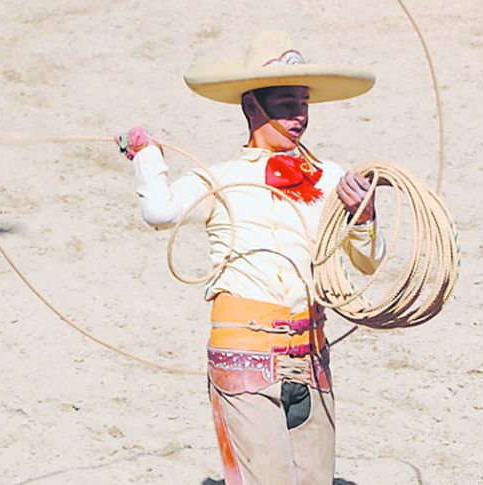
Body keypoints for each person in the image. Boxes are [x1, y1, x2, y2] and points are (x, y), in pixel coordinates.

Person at [116, 30, 386, 485]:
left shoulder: (332, 179)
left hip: (312, 352)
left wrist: (365, 216)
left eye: (303, 103)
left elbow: (367, 263)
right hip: (244, 352)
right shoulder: (221, 179)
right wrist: (147, 156)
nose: (299, 115)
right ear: (252, 107)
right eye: (285, 103)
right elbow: (160, 212)